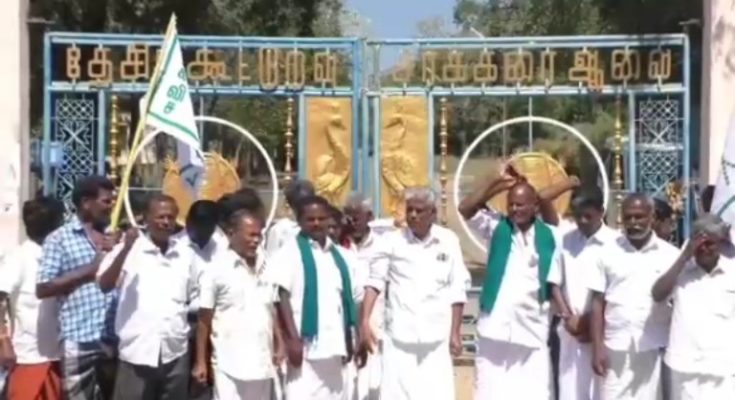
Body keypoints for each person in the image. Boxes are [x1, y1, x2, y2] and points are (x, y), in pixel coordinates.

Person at [458, 167, 568, 400]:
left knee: (535, 392)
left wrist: (571, 182)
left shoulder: (551, 234)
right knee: (489, 390)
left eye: (520, 204)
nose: (515, 209)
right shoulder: (498, 227)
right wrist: (495, 182)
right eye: (511, 204)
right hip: (494, 327)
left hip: (532, 329)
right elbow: (466, 208)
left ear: (534, 207)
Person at [359, 187, 470, 400]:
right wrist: (365, 321)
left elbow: (457, 288)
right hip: (399, 339)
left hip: (436, 339)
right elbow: (374, 282)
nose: (412, 215)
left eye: (419, 211)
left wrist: (455, 332)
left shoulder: (448, 240)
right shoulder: (391, 241)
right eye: (409, 210)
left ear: (433, 213)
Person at [97, 194, 198, 400]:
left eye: (171, 217)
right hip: (137, 353)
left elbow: (193, 297)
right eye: (160, 217)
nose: (166, 222)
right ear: (146, 219)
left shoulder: (185, 254)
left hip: (175, 352)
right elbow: (105, 285)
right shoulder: (129, 249)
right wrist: (126, 248)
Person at [264, 195, 362, 400]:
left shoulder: (342, 256)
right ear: (300, 221)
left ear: (329, 220)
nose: (316, 223)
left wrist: (352, 337)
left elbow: (348, 301)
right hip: (305, 347)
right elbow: (281, 296)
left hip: (335, 344)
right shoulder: (289, 253)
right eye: (310, 219)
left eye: (321, 218)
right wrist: (292, 339)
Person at [588, 193, 680, 400]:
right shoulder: (606, 252)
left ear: (652, 217)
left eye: (639, 216)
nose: (633, 222)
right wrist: (597, 348)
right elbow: (597, 303)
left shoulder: (670, 255)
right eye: (628, 217)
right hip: (615, 346)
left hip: (654, 345)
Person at [37, 176, 118, 400]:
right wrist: (90, 270)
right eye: (106, 201)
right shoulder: (59, 239)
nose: (111, 206)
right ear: (86, 203)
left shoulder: (114, 236)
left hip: (113, 340)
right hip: (79, 340)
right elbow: (43, 288)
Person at [193, 211, 283, 400]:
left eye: (259, 235)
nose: (256, 240)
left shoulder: (267, 266)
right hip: (229, 363)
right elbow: (204, 320)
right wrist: (200, 362)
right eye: (251, 235)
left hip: (262, 360)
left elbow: (271, 309)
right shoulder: (215, 270)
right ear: (231, 233)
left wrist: (280, 343)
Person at [651, 214, 735, 399]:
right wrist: (684, 257)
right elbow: (657, 294)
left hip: (723, 368)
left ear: (720, 244)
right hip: (684, 367)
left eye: (709, 243)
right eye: (699, 244)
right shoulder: (680, 271)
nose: (703, 249)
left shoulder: (732, 272)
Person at [551, 187, 619, 400]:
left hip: (603, 331)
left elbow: (616, 290)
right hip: (571, 331)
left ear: (601, 212)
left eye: (587, 216)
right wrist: (567, 317)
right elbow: (554, 283)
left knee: (602, 388)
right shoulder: (566, 240)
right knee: (571, 390)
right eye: (577, 215)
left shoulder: (616, 244)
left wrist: (591, 322)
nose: (581, 221)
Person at [0, 197, 65, 400]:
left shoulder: (60, 256)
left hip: (58, 355)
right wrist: (3, 341)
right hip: (27, 357)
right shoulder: (19, 257)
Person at [342, 193, 386, 400]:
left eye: (356, 217)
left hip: (375, 325)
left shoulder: (382, 245)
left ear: (369, 217)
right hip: (345, 326)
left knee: (373, 384)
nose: (352, 222)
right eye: (348, 216)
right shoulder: (338, 244)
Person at [264, 180, 315, 256]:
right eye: (300, 203)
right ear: (292, 204)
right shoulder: (279, 230)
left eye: (308, 202)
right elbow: (271, 256)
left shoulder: (316, 225)